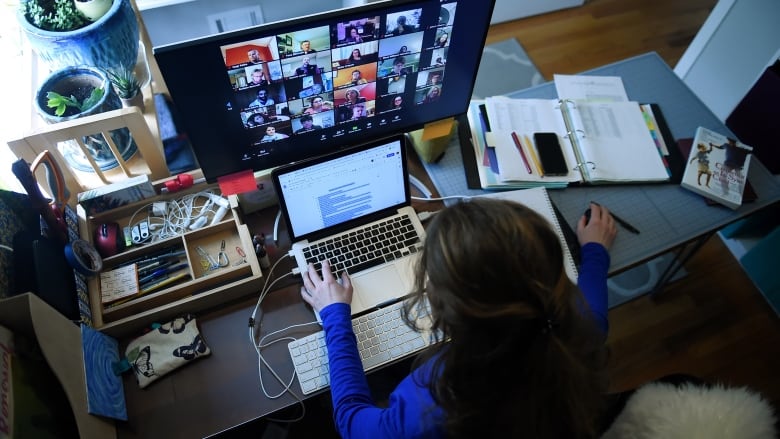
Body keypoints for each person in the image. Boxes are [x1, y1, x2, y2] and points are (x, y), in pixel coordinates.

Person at [301, 199, 616, 438]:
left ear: (449, 309)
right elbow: (594, 311)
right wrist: (595, 250)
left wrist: (334, 316)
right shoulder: (577, 331)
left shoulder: (434, 404)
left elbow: (352, 421)